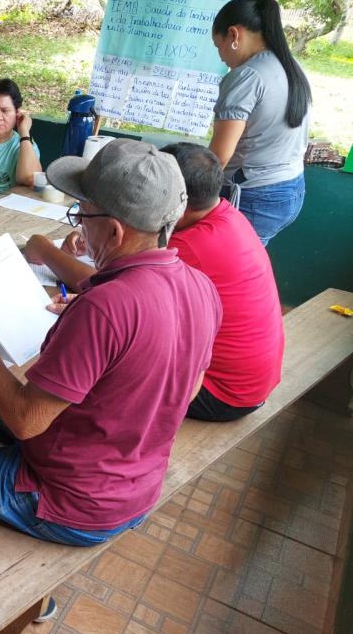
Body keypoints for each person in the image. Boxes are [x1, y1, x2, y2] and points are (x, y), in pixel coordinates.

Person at [0, 140, 221, 625]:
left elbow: (24, 421)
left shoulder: (106, 308)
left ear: (114, 231)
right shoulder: (200, 287)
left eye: (82, 214)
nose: (79, 225)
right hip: (139, 486)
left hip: (74, 503)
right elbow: (189, 389)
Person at [25, 142, 283, 424]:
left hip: (220, 391)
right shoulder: (226, 216)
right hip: (250, 380)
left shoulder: (190, 247)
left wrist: (47, 251)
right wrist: (95, 236)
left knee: (80, 375)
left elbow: (102, 286)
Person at [209, 0, 311, 245]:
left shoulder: (246, 76)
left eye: (218, 47)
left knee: (230, 263)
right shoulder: (292, 66)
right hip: (292, 188)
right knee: (249, 258)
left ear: (234, 35)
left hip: (255, 195)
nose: (220, 57)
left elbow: (219, 156)